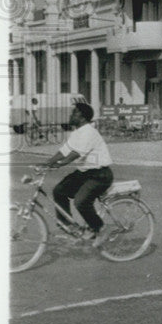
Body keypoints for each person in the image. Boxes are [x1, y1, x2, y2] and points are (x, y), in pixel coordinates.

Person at [42, 102, 114, 247]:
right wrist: (48, 162)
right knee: (59, 190)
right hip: (86, 173)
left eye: (74, 113)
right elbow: (64, 150)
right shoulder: (77, 133)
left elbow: (75, 154)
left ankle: (101, 229)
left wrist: (60, 164)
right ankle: (68, 225)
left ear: (82, 117)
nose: (71, 115)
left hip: (100, 175)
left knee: (81, 202)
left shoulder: (89, 132)